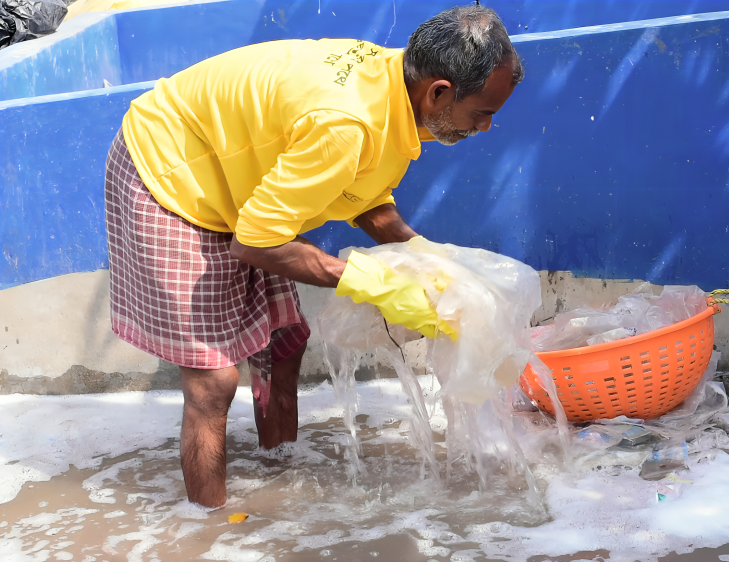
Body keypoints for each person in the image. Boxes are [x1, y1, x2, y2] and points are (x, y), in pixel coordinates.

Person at [103, 5, 523, 508]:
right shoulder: (347, 125)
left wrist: (426, 261)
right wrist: (374, 282)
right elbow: (256, 242)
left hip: (237, 180)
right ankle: (209, 527)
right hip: (168, 172)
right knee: (213, 381)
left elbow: (366, 198)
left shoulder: (398, 88)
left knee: (285, 341)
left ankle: (277, 468)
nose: (488, 126)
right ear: (438, 92)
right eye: (482, 112)